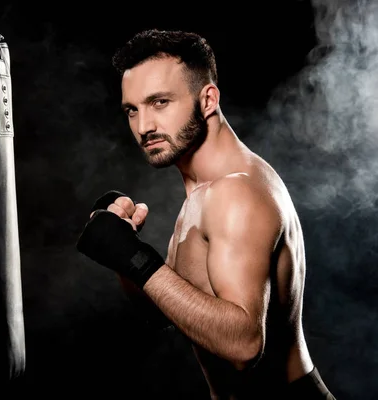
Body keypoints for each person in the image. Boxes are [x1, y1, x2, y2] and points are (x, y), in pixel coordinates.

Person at [76, 29, 336, 399]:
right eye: (132, 110)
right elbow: (169, 312)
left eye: (160, 102)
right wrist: (124, 254)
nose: (143, 126)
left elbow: (245, 345)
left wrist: (134, 259)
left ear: (208, 99)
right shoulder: (203, 191)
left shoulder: (235, 191)